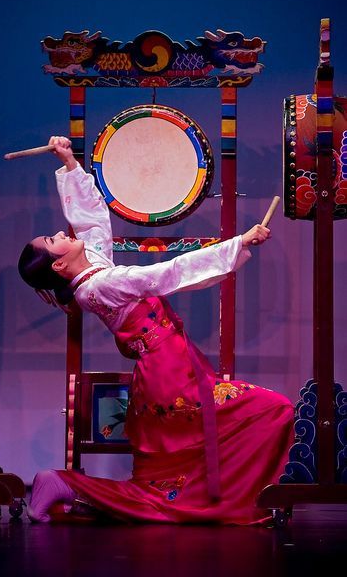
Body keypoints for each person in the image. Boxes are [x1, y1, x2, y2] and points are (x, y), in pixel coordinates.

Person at [18, 135, 294, 525]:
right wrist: (238, 243)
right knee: (273, 410)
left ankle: (66, 486)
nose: (61, 234)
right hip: (169, 378)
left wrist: (69, 164)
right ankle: (68, 484)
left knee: (177, 472)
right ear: (59, 266)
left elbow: (93, 220)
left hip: (169, 368)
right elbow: (166, 274)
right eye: (53, 240)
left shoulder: (93, 271)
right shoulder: (100, 286)